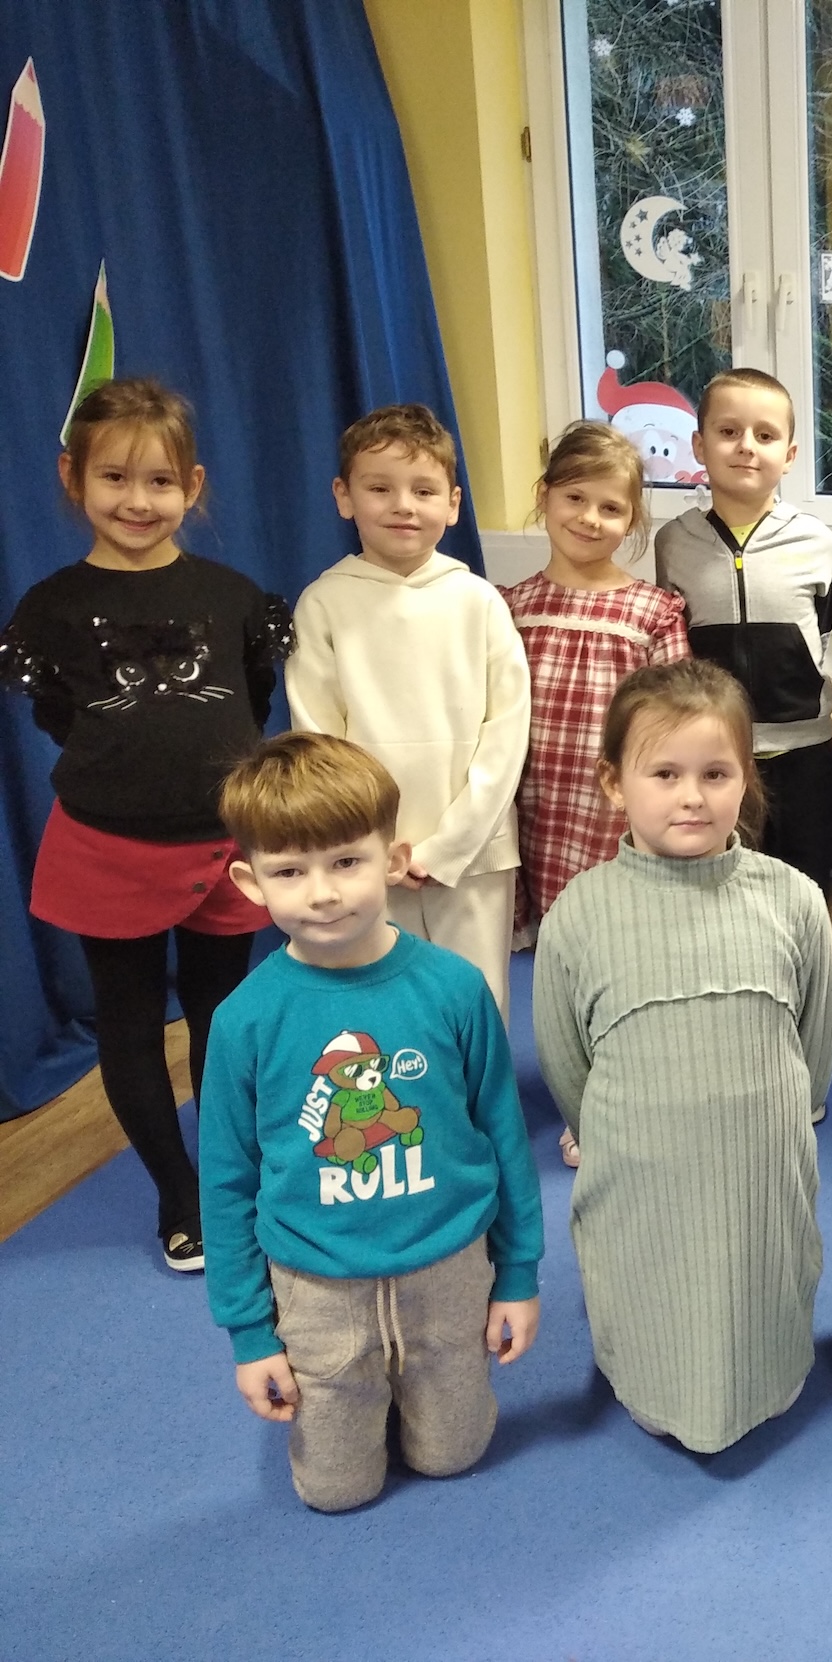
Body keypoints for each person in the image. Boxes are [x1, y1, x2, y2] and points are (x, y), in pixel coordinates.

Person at [199, 733, 543, 1512]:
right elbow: (226, 1181)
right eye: (291, 871)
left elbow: (502, 1135)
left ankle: (423, 1391)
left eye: (347, 861)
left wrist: (518, 1275)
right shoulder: (245, 1020)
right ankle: (358, 1400)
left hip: (447, 1269)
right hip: (318, 1287)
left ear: (394, 859)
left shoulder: (454, 988)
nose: (322, 892)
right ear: (251, 882)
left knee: (454, 1456)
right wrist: (251, 1334)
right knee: (333, 1491)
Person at [0, 379, 291, 1272]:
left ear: (192, 486)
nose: (138, 500)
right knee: (127, 1024)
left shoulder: (232, 596)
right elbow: (56, 712)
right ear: (73, 477)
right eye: (115, 478)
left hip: (224, 843)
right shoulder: (51, 607)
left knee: (220, 1018)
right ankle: (178, 1191)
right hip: (108, 846)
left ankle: (231, 1178)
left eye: (161, 481)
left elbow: (252, 700)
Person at [533, 661, 832, 1452]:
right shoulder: (579, 914)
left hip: (760, 1170)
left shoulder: (793, 900)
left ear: (747, 778)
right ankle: (652, 1378)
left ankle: (766, 1372)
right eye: (664, 773)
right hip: (641, 1173)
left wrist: (775, 1118)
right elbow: (566, 1064)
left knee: (758, 1271)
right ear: (614, 782)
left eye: (715, 773)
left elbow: (812, 1044)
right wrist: (614, 1136)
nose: (691, 796)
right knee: (655, 1280)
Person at [288, 404, 530, 1016]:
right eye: (380, 488)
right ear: (344, 496)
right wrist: (370, 845)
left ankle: (477, 1088)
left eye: (423, 491)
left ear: (452, 504)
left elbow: (506, 734)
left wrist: (449, 846)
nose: (403, 506)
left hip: (473, 853)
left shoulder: (479, 601)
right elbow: (318, 745)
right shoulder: (323, 604)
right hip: (367, 855)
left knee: (475, 1000)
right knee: (383, 1006)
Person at [503, 424, 689, 1166]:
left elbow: (675, 722)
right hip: (536, 813)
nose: (590, 518)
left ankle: (628, 1083)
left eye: (611, 508)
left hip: (617, 820)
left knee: (628, 957)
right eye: (575, 498)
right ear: (545, 497)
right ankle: (579, 1091)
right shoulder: (507, 606)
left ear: (632, 519)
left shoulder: (653, 611)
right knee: (562, 965)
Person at [654, 368, 832, 880]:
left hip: (804, 753)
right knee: (717, 885)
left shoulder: (814, 541)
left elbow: (824, 632)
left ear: (790, 454)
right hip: (711, 753)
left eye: (765, 435)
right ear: (699, 445)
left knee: (801, 885)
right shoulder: (673, 542)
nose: (746, 447)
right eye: (728, 431)